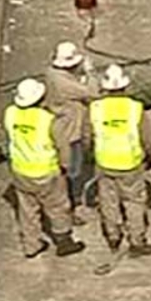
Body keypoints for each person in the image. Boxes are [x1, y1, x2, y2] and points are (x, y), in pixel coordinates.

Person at [2, 77, 85, 259]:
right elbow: (62, 147)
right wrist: (65, 166)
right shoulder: (48, 120)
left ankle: (31, 245)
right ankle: (64, 242)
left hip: (20, 170)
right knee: (57, 207)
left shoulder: (10, 113)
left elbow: (8, 140)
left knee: (27, 210)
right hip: (46, 171)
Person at [89, 63, 151, 258]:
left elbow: (88, 136)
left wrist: (90, 156)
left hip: (104, 162)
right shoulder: (135, 108)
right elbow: (147, 138)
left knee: (108, 201)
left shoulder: (95, 108)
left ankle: (113, 237)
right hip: (130, 162)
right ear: (124, 87)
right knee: (134, 202)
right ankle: (137, 241)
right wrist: (150, 157)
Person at [46, 41, 99, 221]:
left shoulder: (52, 74)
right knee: (72, 171)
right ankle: (70, 206)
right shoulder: (64, 84)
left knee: (71, 168)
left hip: (64, 126)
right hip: (70, 132)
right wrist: (91, 73)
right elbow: (93, 93)